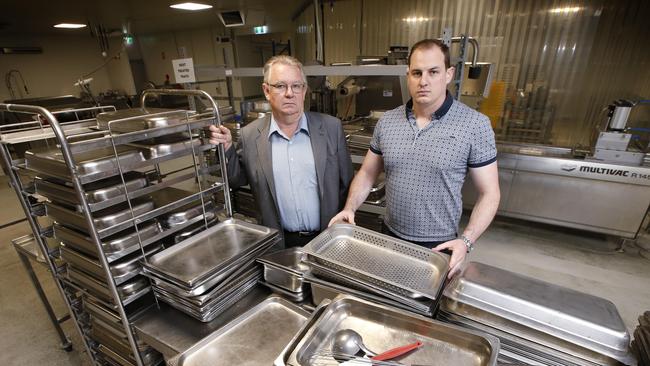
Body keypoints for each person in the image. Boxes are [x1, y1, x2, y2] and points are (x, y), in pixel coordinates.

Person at [329, 39, 500, 278]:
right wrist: (350, 207)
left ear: (449, 74)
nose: (424, 81)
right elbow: (367, 173)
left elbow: (490, 193)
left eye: (433, 72)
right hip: (389, 235)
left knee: (422, 312)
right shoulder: (388, 121)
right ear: (408, 75)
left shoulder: (474, 125)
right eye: (417, 73)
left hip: (439, 245)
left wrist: (466, 241)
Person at [209, 55, 354, 247]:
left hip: (327, 238)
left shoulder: (331, 128)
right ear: (266, 90)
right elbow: (237, 180)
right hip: (278, 241)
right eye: (280, 86)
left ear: (304, 90)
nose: (289, 93)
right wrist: (226, 148)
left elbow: (347, 182)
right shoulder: (250, 135)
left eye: (296, 86)